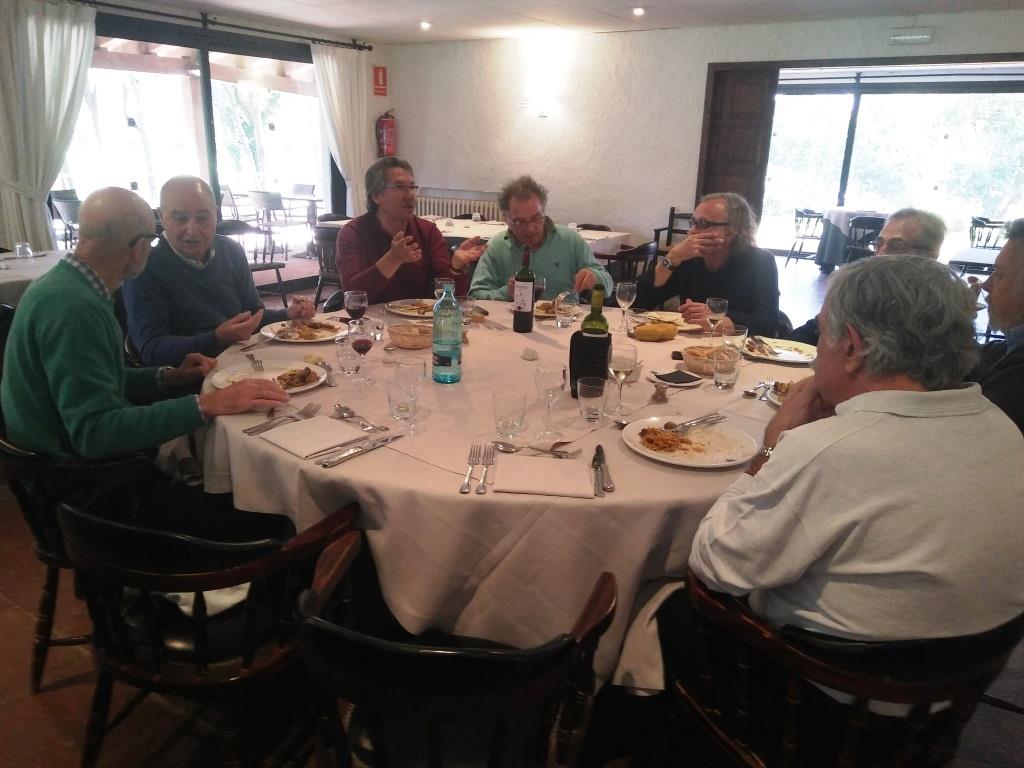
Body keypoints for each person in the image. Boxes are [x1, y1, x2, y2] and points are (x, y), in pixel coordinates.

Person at [665, 256, 1023, 653]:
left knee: (663, 601)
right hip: (969, 671)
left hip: (822, 675)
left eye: (821, 334)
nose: (816, 352)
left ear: (852, 347)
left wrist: (770, 449)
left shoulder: (829, 450)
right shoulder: (1003, 426)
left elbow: (714, 564)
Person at [1, 187, 293, 540]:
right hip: (89, 497)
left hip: (67, 476)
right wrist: (207, 404)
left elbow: (97, 379)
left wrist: (168, 378)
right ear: (139, 247)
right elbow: (95, 433)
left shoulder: (64, 286)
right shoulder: (74, 308)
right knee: (274, 512)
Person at [122, 175, 315, 367]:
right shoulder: (145, 266)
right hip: (190, 375)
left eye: (203, 218)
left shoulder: (231, 250)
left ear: (215, 213)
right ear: (161, 217)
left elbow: (253, 315)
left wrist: (288, 314)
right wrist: (217, 338)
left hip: (243, 362)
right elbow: (152, 350)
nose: (192, 230)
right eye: (180, 219)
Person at [336, 158, 486, 304]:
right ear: (376, 196)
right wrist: (393, 259)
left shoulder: (427, 231)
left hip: (419, 318)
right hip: (369, 319)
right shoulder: (354, 233)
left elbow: (449, 298)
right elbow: (353, 296)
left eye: (412, 187)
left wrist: (456, 267)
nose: (410, 195)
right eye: (399, 187)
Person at [788, 208, 946, 345]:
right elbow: (815, 329)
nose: (881, 253)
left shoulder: (939, 307)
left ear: (930, 255)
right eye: (879, 244)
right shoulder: (860, 288)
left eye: (896, 246)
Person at [634, 193, 779, 336]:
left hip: (739, 346)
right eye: (693, 222)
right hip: (691, 344)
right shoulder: (688, 258)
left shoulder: (761, 261)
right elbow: (637, 304)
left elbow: (768, 323)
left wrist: (720, 319)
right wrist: (672, 257)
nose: (692, 231)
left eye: (703, 224)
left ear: (732, 231)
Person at [468, 175, 614, 301]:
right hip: (512, 322)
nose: (531, 228)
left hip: (564, 321)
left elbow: (608, 286)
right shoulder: (496, 246)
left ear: (543, 212)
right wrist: (506, 293)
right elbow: (475, 296)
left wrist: (594, 276)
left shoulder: (570, 240)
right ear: (507, 219)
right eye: (520, 222)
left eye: (536, 218)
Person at [970, 218, 1024, 433]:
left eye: (999, 275)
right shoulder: (1006, 348)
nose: (986, 284)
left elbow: (970, 431)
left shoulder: (1017, 378)